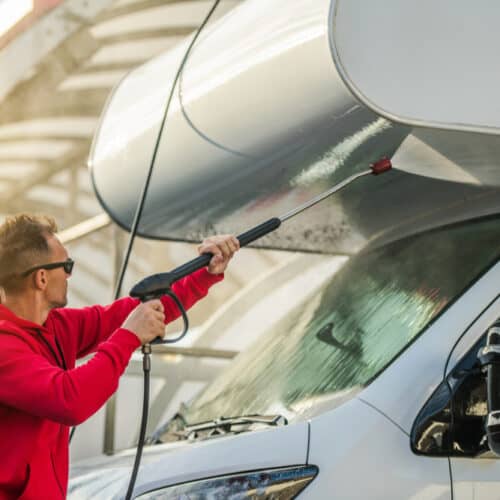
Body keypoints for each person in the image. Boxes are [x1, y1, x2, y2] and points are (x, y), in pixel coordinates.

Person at [0, 213, 240, 500]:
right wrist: (128, 337)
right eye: (66, 266)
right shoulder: (4, 347)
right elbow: (69, 399)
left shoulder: (57, 327)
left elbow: (136, 311)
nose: (69, 275)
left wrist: (206, 272)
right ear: (41, 278)